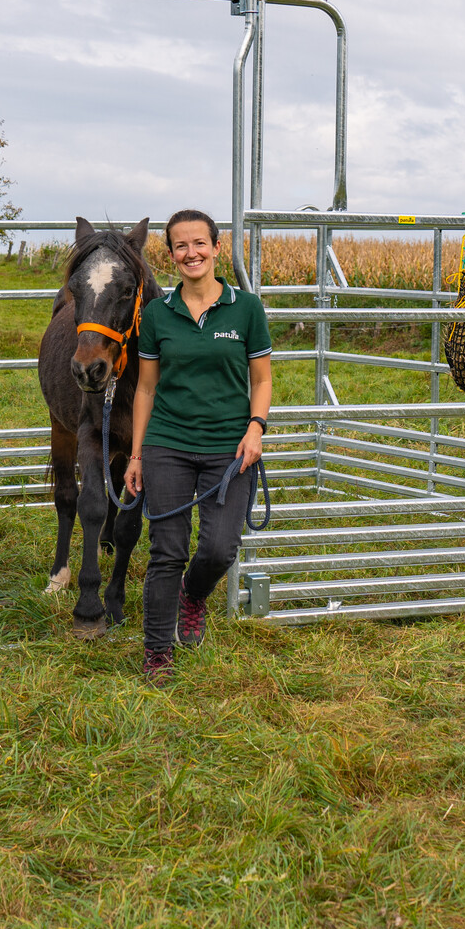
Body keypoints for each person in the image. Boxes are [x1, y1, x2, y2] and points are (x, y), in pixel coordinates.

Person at [125, 208, 273, 684]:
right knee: (167, 550)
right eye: (181, 246)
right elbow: (146, 388)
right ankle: (157, 652)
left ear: (216, 247)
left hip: (230, 447)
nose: (191, 253)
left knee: (220, 547)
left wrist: (256, 428)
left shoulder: (246, 309)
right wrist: (136, 455)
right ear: (171, 254)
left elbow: (262, 379)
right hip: (167, 442)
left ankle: (193, 594)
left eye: (199, 243)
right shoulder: (157, 313)